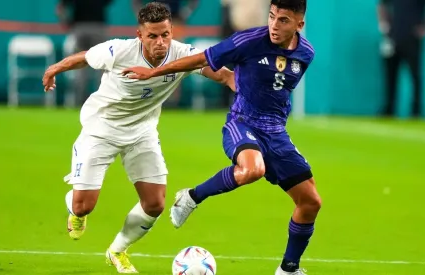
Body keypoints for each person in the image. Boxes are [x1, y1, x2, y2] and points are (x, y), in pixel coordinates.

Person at [122, 1, 320, 274]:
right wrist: (155, 71)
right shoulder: (248, 40)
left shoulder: (306, 54)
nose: (274, 25)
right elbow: (203, 58)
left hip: (276, 132)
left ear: (300, 24)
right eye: (272, 16)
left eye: (284, 20)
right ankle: (191, 197)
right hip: (242, 122)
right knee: (253, 169)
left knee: (310, 202)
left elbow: (278, 89)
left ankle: (288, 268)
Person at [42, 2, 235, 274]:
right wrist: (54, 69)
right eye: (153, 36)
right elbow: (85, 57)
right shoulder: (119, 50)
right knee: (83, 205)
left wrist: (233, 81)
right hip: (101, 130)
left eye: (165, 35)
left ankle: (117, 251)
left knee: (155, 204)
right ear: (139, 35)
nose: (160, 42)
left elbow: (214, 70)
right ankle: (75, 210)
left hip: (142, 133)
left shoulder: (181, 53)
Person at [377, 0, 425, 117]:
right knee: (390, 76)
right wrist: (384, 25)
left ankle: (416, 112)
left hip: (412, 39)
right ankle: (389, 110)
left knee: (415, 76)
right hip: (392, 38)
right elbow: (381, 5)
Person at [56, 0, 114, 106]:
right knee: (103, 65)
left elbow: (60, 8)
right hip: (98, 27)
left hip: (80, 27)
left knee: (80, 65)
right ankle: (102, 100)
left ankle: (81, 101)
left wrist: (66, 22)